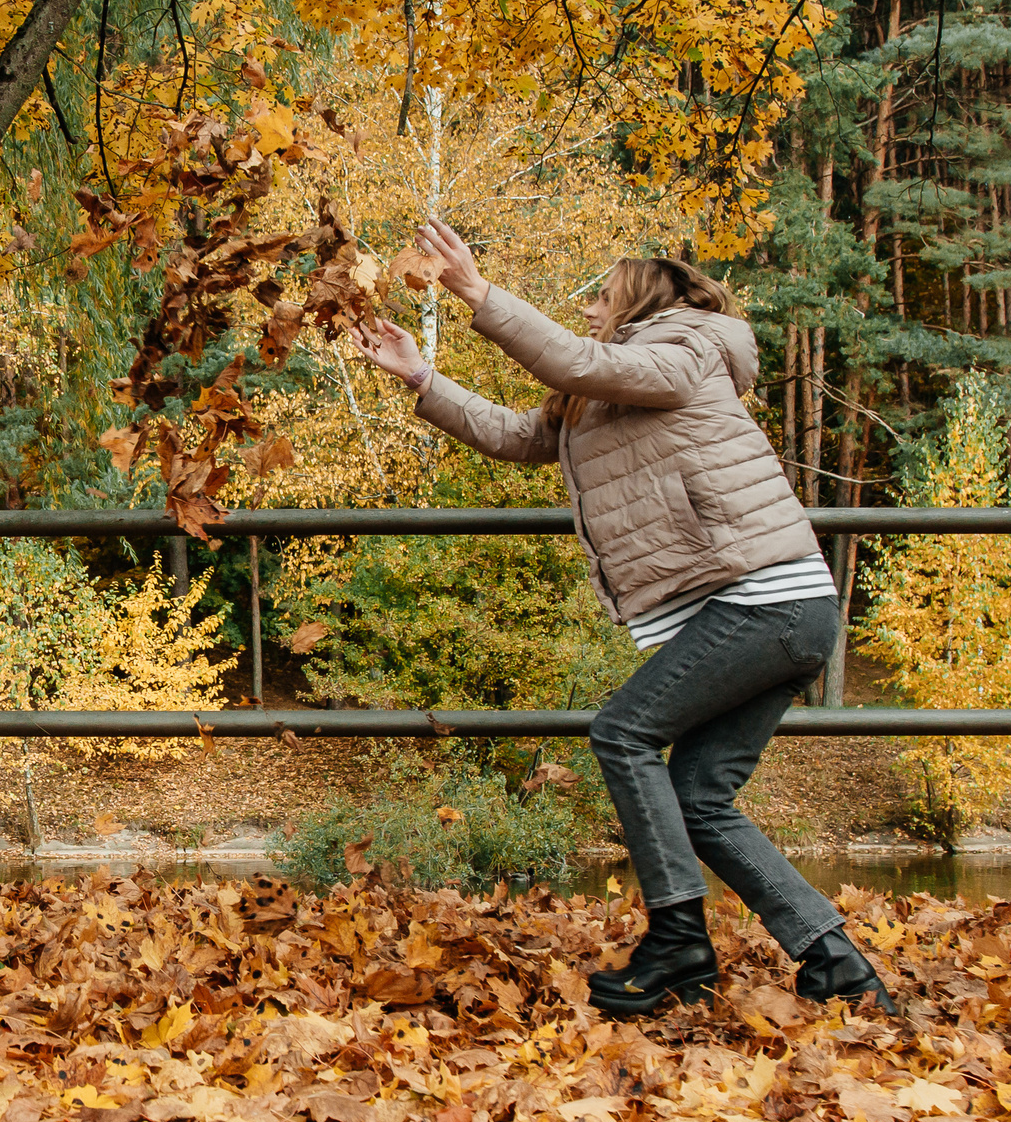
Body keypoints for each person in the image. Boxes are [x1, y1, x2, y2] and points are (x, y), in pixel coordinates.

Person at [349, 223, 894, 1016]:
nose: (594, 307)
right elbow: (520, 434)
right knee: (701, 795)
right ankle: (834, 959)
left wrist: (476, 291)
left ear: (639, 294)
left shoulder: (689, 348)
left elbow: (577, 356)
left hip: (766, 597)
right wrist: (423, 377)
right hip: (760, 605)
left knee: (622, 731)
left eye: (603, 293)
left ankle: (678, 940)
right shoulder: (603, 388)